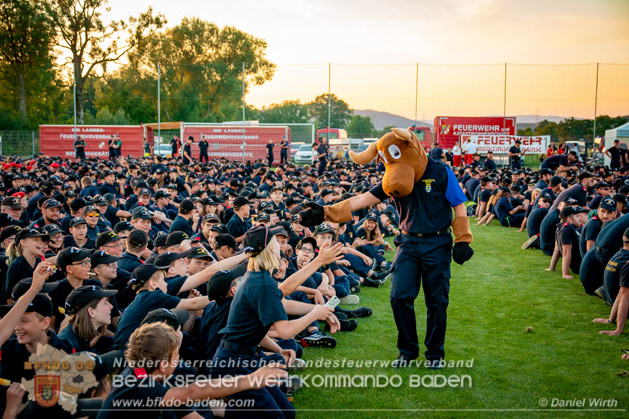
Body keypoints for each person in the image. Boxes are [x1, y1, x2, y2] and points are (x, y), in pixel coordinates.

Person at [299, 128, 473, 367]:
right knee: (399, 296)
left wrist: (463, 239)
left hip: (437, 242)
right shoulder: (392, 178)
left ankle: (435, 355)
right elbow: (362, 200)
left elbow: (459, 205)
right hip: (408, 242)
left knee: (437, 301)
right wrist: (324, 212)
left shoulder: (440, 171)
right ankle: (407, 352)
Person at [211, 226, 342, 417]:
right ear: (271, 249)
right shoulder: (262, 282)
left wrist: (318, 261)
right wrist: (315, 312)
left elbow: (285, 288)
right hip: (233, 365)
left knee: (287, 413)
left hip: (243, 359)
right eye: (277, 243)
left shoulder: (257, 275)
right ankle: (215, 409)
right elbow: (285, 331)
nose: (282, 246)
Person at [99, 322, 287, 419]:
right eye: (176, 356)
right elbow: (194, 391)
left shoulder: (150, 374)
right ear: (163, 364)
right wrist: (250, 380)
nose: (179, 359)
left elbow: (188, 412)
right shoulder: (138, 384)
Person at [58, 285, 117, 353]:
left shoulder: (83, 338)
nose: (111, 306)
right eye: (104, 303)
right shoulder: (65, 345)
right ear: (91, 311)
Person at [546, 206, 588, 279]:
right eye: (577, 216)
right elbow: (566, 252)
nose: (580, 219)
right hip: (580, 266)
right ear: (569, 219)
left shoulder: (560, 227)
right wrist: (565, 273)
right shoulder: (567, 229)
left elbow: (557, 249)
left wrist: (551, 267)